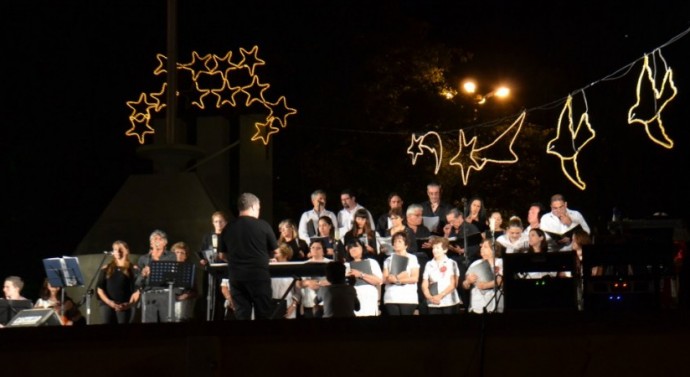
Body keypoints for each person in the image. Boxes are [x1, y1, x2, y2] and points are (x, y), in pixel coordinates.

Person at [220, 193, 279, 320]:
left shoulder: (228, 228)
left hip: (236, 277)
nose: (258, 212)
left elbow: (222, 254)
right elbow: (276, 252)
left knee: (242, 315)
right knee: (263, 315)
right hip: (258, 276)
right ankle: (260, 339)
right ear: (252, 207)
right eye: (258, 208)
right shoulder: (263, 225)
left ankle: (243, 340)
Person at [136, 229, 177, 323]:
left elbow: (170, 274)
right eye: (153, 240)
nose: (156, 242)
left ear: (165, 242)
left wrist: (156, 258)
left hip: (165, 294)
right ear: (150, 243)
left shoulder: (171, 256)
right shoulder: (143, 259)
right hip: (148, 294)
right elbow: (137, 282)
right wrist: (143, 274)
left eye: (159, 239)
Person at [97, 240, 139, 324]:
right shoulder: (106, 268)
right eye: (115, 249)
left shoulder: (133, 269)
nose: (118, 251)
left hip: (124, 305)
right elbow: (100, 288)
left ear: (127, 250)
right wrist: (109, 302)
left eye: (121, 249)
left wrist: (128, 305)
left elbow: (137, 291)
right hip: (107, 304)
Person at [200, 211, 230, 321]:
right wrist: (203, 260)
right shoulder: (208, 237)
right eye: (216, 222)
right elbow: (203, 252)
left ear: (226, 223)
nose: (218, 224)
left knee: (222, 298)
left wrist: (224, 258)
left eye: (221, 222)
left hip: (224, 271)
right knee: (210, 297)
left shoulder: (230, 237)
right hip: (210, 271)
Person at [382, 231, 420, 315]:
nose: (396, 243)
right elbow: (384, 279)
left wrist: (397, 280)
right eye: (394, 241)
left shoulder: (412, 258)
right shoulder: (388, 260)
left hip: (407, 298)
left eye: (399, 241)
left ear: (406, 245)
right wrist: (393, 278)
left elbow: (414, 278)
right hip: (391, 297)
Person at [421, 237, 462, 314]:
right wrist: (429, 296)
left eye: (437, 248)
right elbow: (425, 282)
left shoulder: (451, 263)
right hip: (433, 302)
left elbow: (454, 284)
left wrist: (440, 296)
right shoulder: (429, 264)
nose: (434, 250)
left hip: (449, 301)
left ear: (445, 250)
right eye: (433, 248)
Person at [462, 239, 504, 313]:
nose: (481, 249)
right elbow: (465, 285)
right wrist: (468, 281)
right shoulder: (475, 264)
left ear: (494, 249)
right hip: (477, 305)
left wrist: (485, 285)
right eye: (481, 247)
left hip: (496, 303)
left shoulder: (500, 263)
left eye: (485, 247)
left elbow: (502, 280)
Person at [345, 238, 383, 316]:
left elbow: (378, 281)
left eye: (355, 246)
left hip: (368, 296)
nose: (353, 249)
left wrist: (361, 274)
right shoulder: (346, 265)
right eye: (350, 248)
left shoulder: (371, 262)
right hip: (353, 297)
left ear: (362, 248)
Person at [298, 239, 331, 318]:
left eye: (318, 248)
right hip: (309, 304)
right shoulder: (304, 265)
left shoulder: (331, 264)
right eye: (312, 247)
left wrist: (325, 282)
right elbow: (298, 283)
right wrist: (307, 283)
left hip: (327, 304)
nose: (315, 250)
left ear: (324, 250)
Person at [270, 244, 300, 319]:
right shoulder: (270, 268)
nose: (274, 255)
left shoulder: (292, 268)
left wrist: (293, 306)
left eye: (276, 253)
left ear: (285, 254)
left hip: (288, 306)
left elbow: (298, 292)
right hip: (272, 306)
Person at [170, 242, 199, 322]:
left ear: (186, 256)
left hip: (184, 298)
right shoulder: (167, 267)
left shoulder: (190, 270)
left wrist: (185, 295)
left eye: (182, 253)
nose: (179, 255)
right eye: (177, 252)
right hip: (169, 297)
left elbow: (195, 291)